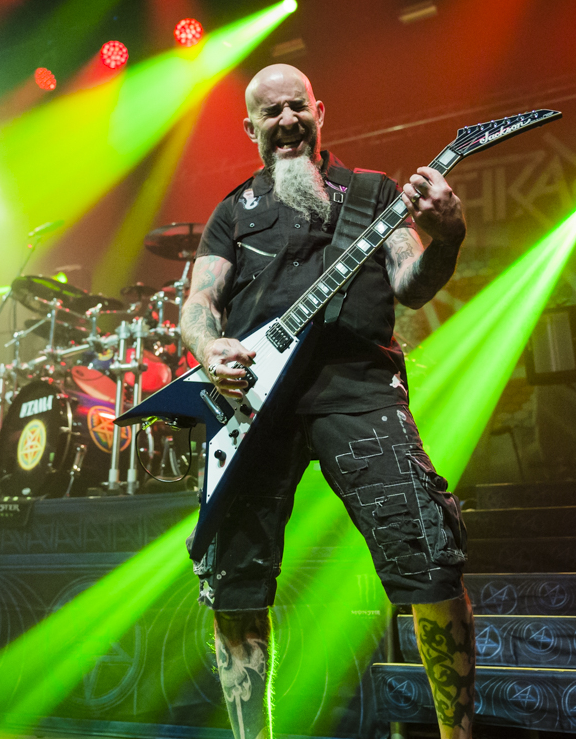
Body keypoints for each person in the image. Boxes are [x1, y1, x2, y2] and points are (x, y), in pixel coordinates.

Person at [180, 65, 475, 739]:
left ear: (319, 113)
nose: (286, 121)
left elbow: (410, 282)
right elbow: (200, 302)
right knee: (235, 581)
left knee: (430, 557)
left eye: (297, 107)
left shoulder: (372, 193)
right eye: (270, 113)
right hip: (254, 406)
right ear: (250, 128)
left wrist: (449, 237)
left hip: (358, 391)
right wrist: (209, 348)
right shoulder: (232, 212)